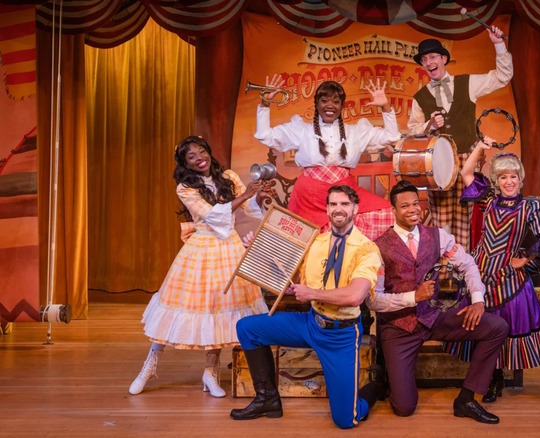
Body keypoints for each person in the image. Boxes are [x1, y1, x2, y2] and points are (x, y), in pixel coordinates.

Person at [230, 185, 385, 429]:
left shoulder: (367, 249)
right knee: (247, 328)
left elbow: (355, 296)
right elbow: (287, 278)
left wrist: (311, 293)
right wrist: (257, 250)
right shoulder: (315, 243)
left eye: (344, 204)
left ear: (355, 208)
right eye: (333, 204)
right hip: (310, 323)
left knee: (346, 419)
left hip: (341, 335)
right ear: (327, 209)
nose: (338, 209)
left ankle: (375, 386)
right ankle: (267, 399)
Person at [129, 136, 272, 397]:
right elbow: (214, 214)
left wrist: (257, 196)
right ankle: (149, 365)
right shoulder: (185, 187)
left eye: (201, 151)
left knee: (219, 309)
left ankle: (210, 372)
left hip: (229, 247)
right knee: (177, 304)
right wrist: (245, 196)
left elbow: (248, 211)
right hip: (201, 248)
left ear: (209, 152)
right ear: (185, 164)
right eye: (191, 156)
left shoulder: (227, 176)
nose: (199, 158)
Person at [443, 138, 540, 406]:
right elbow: (465, 173)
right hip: (480, 276)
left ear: (520, 179)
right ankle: (496, 381)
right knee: (490, 332)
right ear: (496, 180)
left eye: (513, 176)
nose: (509, 182)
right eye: (503, 176)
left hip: (510, 281)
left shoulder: (530, 207)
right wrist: (481, 146)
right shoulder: (488, 200)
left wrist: (526, 258)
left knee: (532, 329)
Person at [368, 180, 509, 424]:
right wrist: (413, 297)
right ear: (393, 210)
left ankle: (466, 399)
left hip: (434, 316)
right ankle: (387, 378)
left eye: (416, 204)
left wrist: (477, 300)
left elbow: (468, 264)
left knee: (496, 327)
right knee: (404, 408)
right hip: (398, 327)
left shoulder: (437, 237)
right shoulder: (378, 247)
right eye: (405, 206)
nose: (413, 210)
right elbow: (374, 301)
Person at [407, 26, 513, 252]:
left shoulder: (468, 83)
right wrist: (428, 125)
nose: (428, 62)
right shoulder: (420, 98)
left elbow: (503, 76)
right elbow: (413, 132)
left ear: (443, 59)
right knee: (442, 222)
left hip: (467, 159)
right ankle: (444, 274)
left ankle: (463, 274)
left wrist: (498, 44)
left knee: (465, 219)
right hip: (438, 165)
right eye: (424, 59)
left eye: (433, 56)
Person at [254, 77, 399, 241]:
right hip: (308, 198)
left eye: (336, 102)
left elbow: (391, 137)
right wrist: (265, 105)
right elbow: (265, 136)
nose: (330, 106)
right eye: (324, 101)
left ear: (342, 106)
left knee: (386, 213)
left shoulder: (355, 132)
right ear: (317, 104)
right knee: (308, 244)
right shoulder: (302, 130)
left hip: (344, 194)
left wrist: (385, 107)